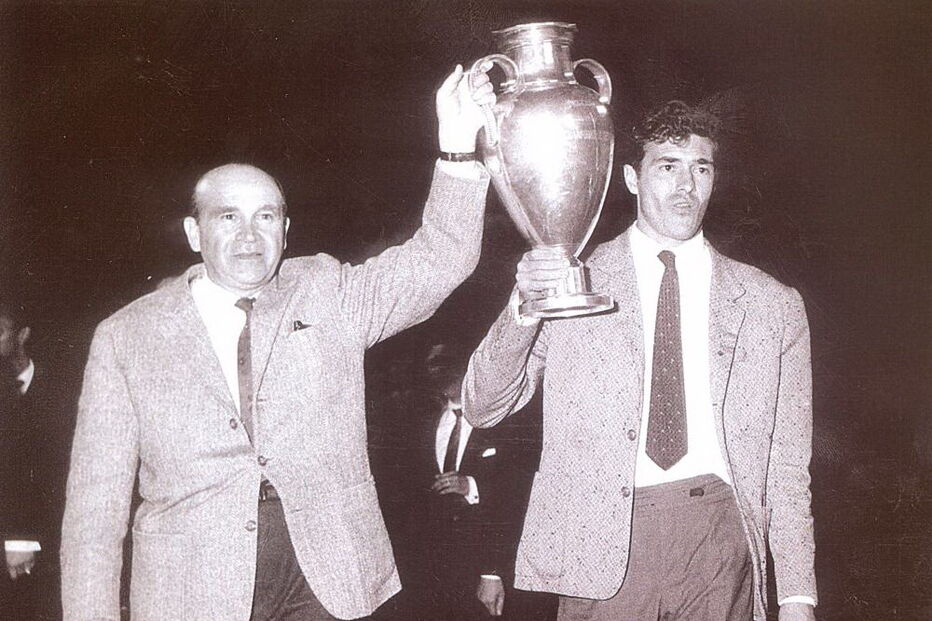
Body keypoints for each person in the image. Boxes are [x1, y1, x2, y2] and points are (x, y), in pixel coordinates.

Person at [60, 65, 494, 621]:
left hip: (327, 578)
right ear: (195, 234)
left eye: (266, 216)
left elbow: (441, 257)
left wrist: (457, 147)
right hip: (190, 591)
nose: (249, 235)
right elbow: (94, 513)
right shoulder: (127, 337)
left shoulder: (325, 291)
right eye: (228, 217)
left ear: (286, 232)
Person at [463, 101, 817, 621]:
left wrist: (797, 597)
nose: (686, 186)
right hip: (602, 541)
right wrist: (524, 305)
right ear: (631, 177)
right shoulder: (575, 283)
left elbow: (786, 468)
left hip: (720, 537)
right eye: (667, 166)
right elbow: (482, 405)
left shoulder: (772, 305)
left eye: (701, 168)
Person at [404, 344, 553, 621]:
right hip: (438, 575)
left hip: (491, 566)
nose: (434, 368)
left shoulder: (506, 418)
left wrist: (470, 486)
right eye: (429, 363)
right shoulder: (422, 424)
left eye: (442, 360)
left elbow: (519, 489)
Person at [0, 302, 47, 618]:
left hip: (39, 541)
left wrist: (20, 537)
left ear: (23, 335)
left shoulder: (64, 389)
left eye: (0, 332)